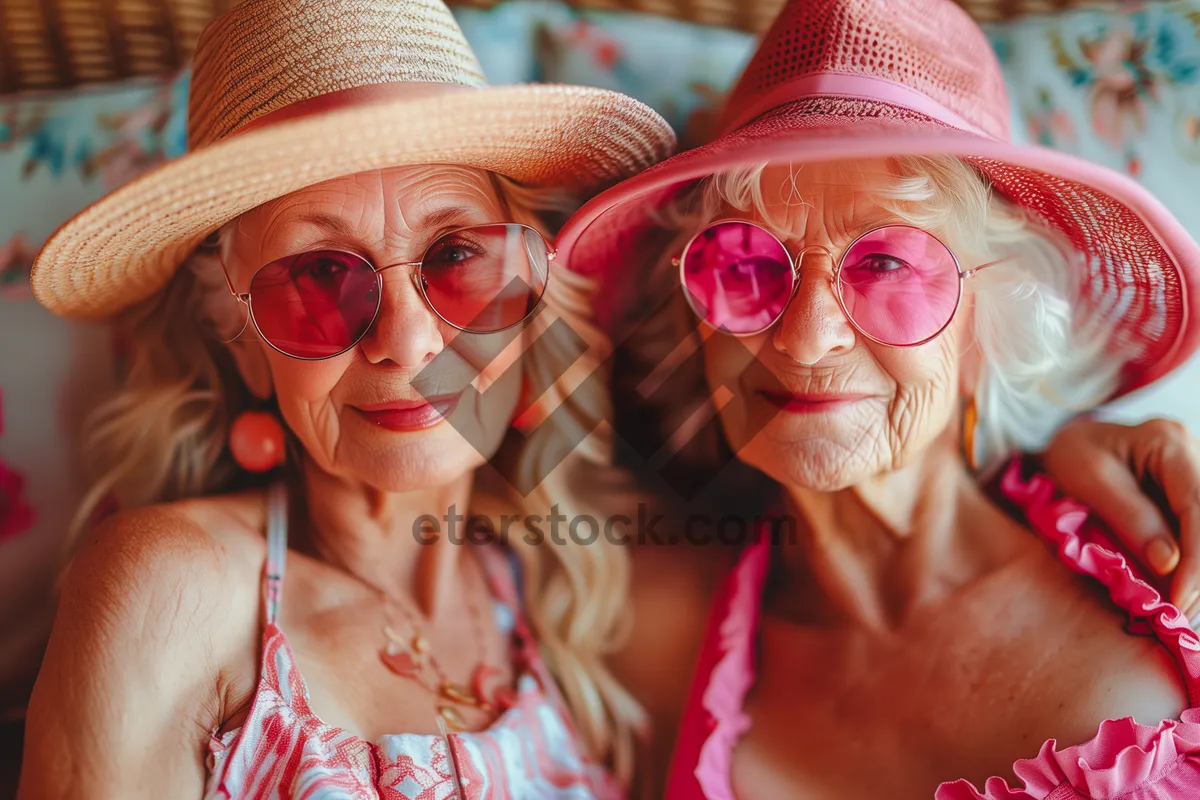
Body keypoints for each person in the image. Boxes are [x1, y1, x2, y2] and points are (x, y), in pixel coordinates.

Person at [16, 0, 675, 797]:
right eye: (319, 274)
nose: (406, 339)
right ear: (244, 344)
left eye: (458, 255)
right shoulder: (174, 588)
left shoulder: (569, 610)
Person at [556, 0, 1200, 796]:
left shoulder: (1170, 548)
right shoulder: (653, 641)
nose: (805, 336)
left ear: (991, 325)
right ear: (696, 334)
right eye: (747, 262)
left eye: (887, 264)